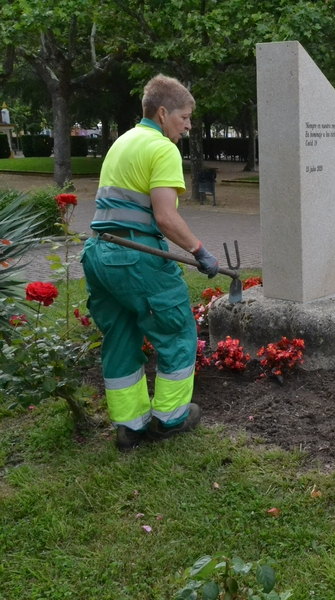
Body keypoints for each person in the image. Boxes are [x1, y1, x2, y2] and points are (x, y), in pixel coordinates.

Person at [81, 74, 220, 451]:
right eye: (185, 117)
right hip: (135, 257)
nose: (188, 125)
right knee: (176, 330)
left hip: (99, 252)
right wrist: (199, 251)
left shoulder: (123, 142)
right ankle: (171, 418)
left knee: (121, 335)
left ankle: (130, 426)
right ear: (163, 112)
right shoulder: (162, 148)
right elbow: (165, 217)